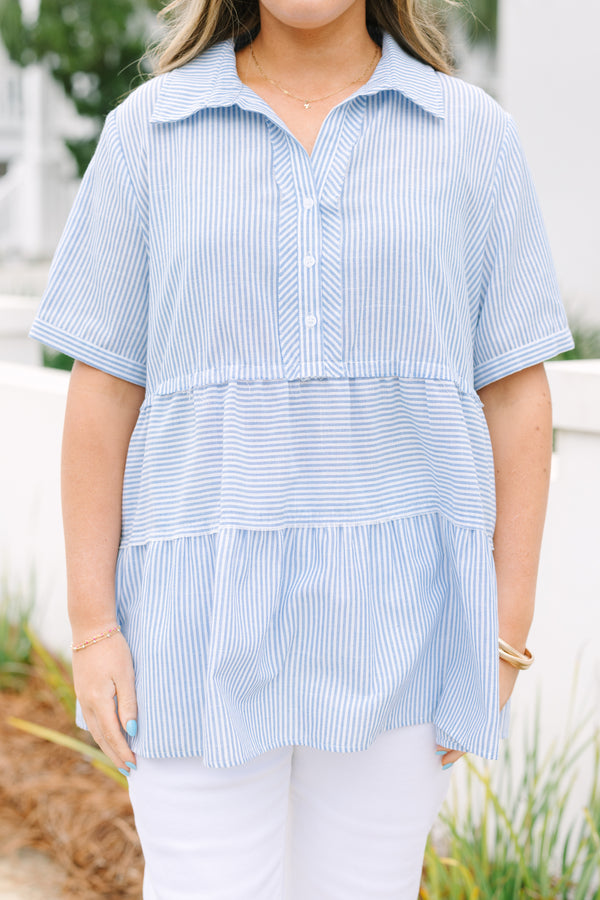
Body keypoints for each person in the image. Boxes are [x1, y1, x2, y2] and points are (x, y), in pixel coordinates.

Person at [28, 0, 574, 895]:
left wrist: (505, 637)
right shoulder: (149, 134)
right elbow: (102, 392)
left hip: (404, 630)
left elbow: (516, 394)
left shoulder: (470, 134)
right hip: (192, 634)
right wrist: (93, 632)